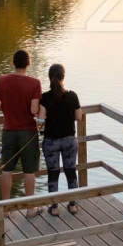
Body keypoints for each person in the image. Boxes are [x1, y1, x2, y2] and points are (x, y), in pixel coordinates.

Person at [0, 49, 43, 217]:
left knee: (7, 169)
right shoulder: (34, 83)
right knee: (29, 171)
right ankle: (30, 209)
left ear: (13, 63)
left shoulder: (2, 80)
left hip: (8, 131)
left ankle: (6, 209)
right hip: (28, 132)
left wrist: (7, 108)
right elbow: (34, 110)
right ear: (28, 63)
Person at [38, 64, 82, 216]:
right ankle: (73, 206)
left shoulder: (45, 97)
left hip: (51, 142)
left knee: (53, 173)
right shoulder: (72, 96)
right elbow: (78, 117)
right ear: (63, 77)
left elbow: (40, 120)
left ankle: (55, 207)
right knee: (71, 171)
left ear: (49, 77)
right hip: (69, 140)